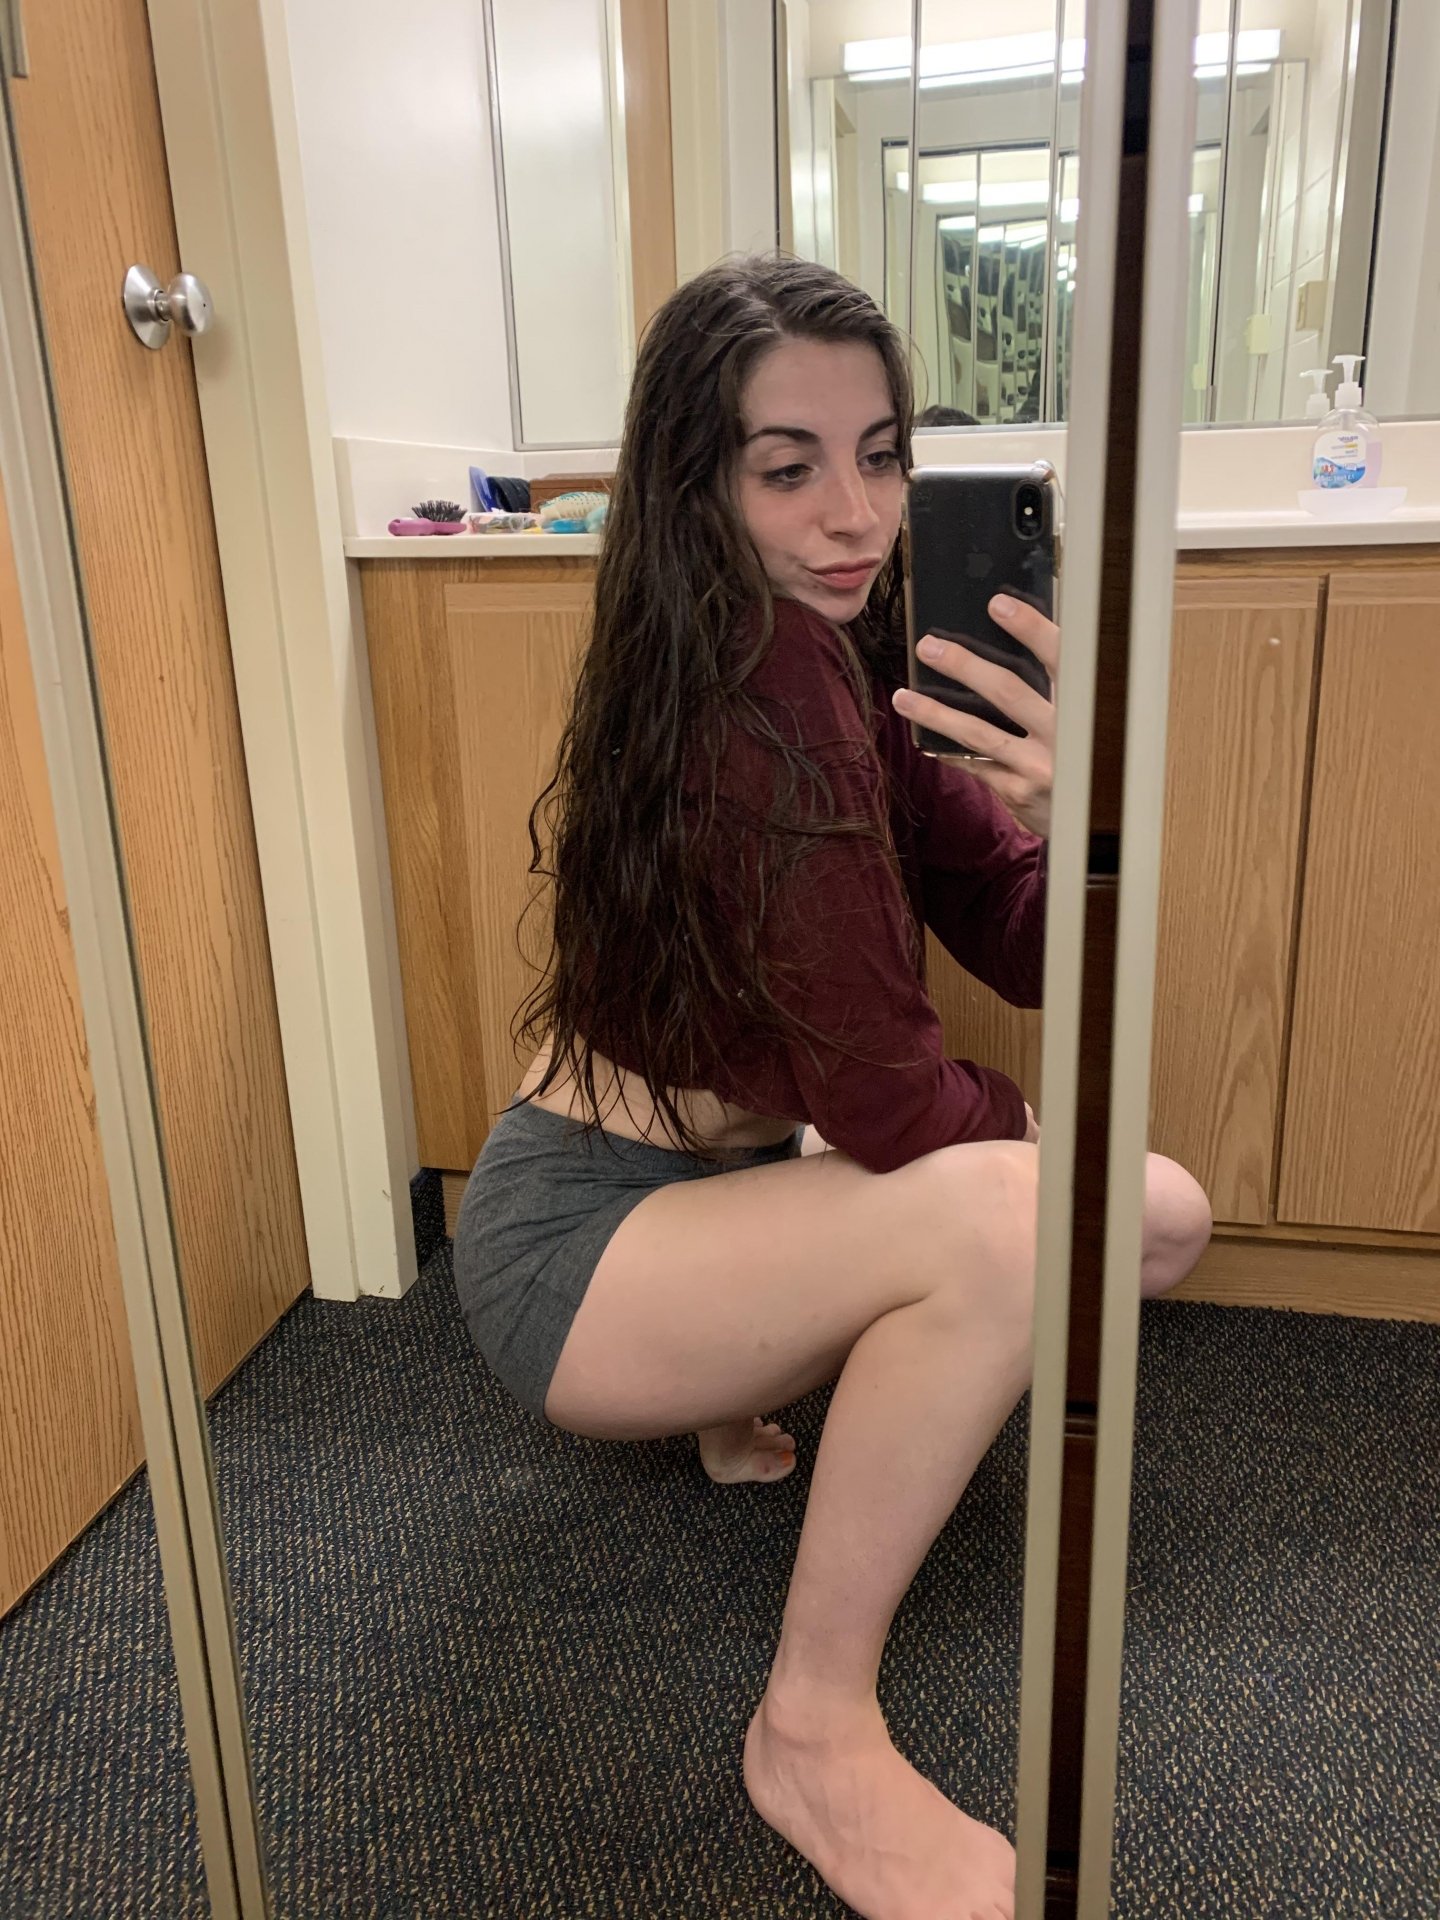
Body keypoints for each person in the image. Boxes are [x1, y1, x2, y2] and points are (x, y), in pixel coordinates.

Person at [452, 255, 1212, 1920]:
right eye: (787, 469)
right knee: (1024, 1223)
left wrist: (1078, 819)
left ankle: (740, 1393)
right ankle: (810, 1727)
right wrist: (1020, 1149)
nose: (854, 515)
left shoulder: (851, 666)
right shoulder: (755, 696)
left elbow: (1021, 939)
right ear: (699, 489)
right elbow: (887, 1109)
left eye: (881, 457)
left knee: (1156, 1222)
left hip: (716, 1189)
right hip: (574, 1247)